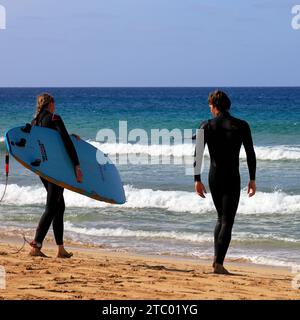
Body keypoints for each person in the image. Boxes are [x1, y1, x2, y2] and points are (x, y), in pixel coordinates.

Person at [194, 90, 256, 274]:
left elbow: (197, 154)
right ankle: (219, 264)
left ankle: (216, 260)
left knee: (221, 218)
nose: (210, 110)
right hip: (231, 177)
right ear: (228, 105)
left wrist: (197, 179)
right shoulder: (241, 125)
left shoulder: (205, 126)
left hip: (213, 177)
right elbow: (250, 154)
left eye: (210, 107)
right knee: (227, 220)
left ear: (214, 106)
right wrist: (252, 178)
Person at [29, 93, 83, 258]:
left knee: (59, 206)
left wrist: (71, 137)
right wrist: (76, 165)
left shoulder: (35, 122)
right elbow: (65, 142)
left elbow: (47, 143)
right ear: (50, 104)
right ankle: (36, 246)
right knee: (52, 206)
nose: (55, 106)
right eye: (54, 103)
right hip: (56, 170)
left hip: (43, 169)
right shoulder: (54, 118)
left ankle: (60, 249)